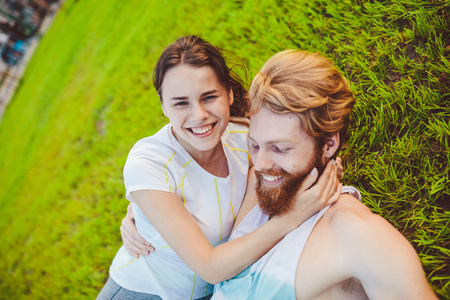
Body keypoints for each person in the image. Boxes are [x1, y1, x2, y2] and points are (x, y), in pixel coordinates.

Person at [124, 50, 437, 299]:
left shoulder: (359, 235)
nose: (258, 163)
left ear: (328, 145)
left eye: (280, 149)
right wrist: (143, 212)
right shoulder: (257, 184)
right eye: (255, 145)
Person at [98, 36, 341, 300]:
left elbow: (295, 158)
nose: (199, 115)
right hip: (144, 293)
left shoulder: (246, 138)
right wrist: (292, 217)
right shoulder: (149, 164)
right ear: (163, 105)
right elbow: (210, 269)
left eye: (209, 97)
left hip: (220, 290)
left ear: (229, 93)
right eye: (181, 103)